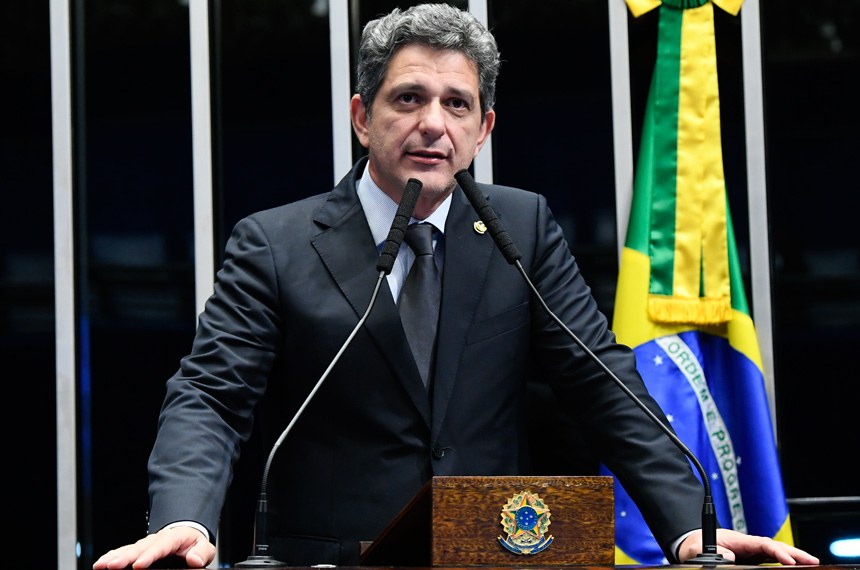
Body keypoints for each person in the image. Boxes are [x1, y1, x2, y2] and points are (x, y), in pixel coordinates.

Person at [94, 4, 819, 569]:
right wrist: (186, 518)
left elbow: (603, 386)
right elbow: (211, 395)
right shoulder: (276, 244)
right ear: (361, 116)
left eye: (457, 104)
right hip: (327, 560)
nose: (432, 124)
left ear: (483, 129)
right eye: (408, 98)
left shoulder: (521, 227)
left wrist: (691, 532)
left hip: (494, 553)